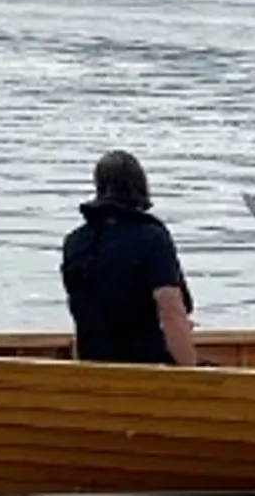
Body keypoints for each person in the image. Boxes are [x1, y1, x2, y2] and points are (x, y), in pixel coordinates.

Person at [61, 149, 197, 366]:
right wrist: (192, 372)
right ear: (141, 186)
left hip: (92, 367)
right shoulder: (152, 238)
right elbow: (170, 308)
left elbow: (83, 313)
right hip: (146, 369)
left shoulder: (75, 242)